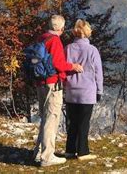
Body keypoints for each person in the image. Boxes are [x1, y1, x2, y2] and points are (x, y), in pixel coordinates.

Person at [33, 15, 83, 167]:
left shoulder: (42, 38)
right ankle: (47, 156)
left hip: (40, 82)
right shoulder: (54, 40)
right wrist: (73, 66)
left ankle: (38, 153)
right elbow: (58, 63)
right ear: (59, 28)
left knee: (45, 117)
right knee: (51, 117)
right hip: (52, 83)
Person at [64, 19, 104, 161]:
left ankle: (69, 150)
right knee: (83, 122)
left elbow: (63, 67)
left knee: (72, 122)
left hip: (70, 90)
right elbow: (98, 72)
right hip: (87, 91)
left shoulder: (68, 48)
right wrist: (99, 91)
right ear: (88, 32)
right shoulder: (92, 50)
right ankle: (83, 151)